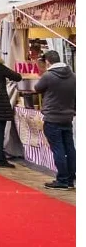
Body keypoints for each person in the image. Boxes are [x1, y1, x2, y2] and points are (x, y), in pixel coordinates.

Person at [34, 51, 76, 189]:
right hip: (68, 117)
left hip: (52, 117)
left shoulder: (48, 76)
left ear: (48, 62)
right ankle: (71, 179)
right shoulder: (73, 76)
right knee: (70, 148)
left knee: (58, 149)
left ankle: (62, 180)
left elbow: (37, 88)